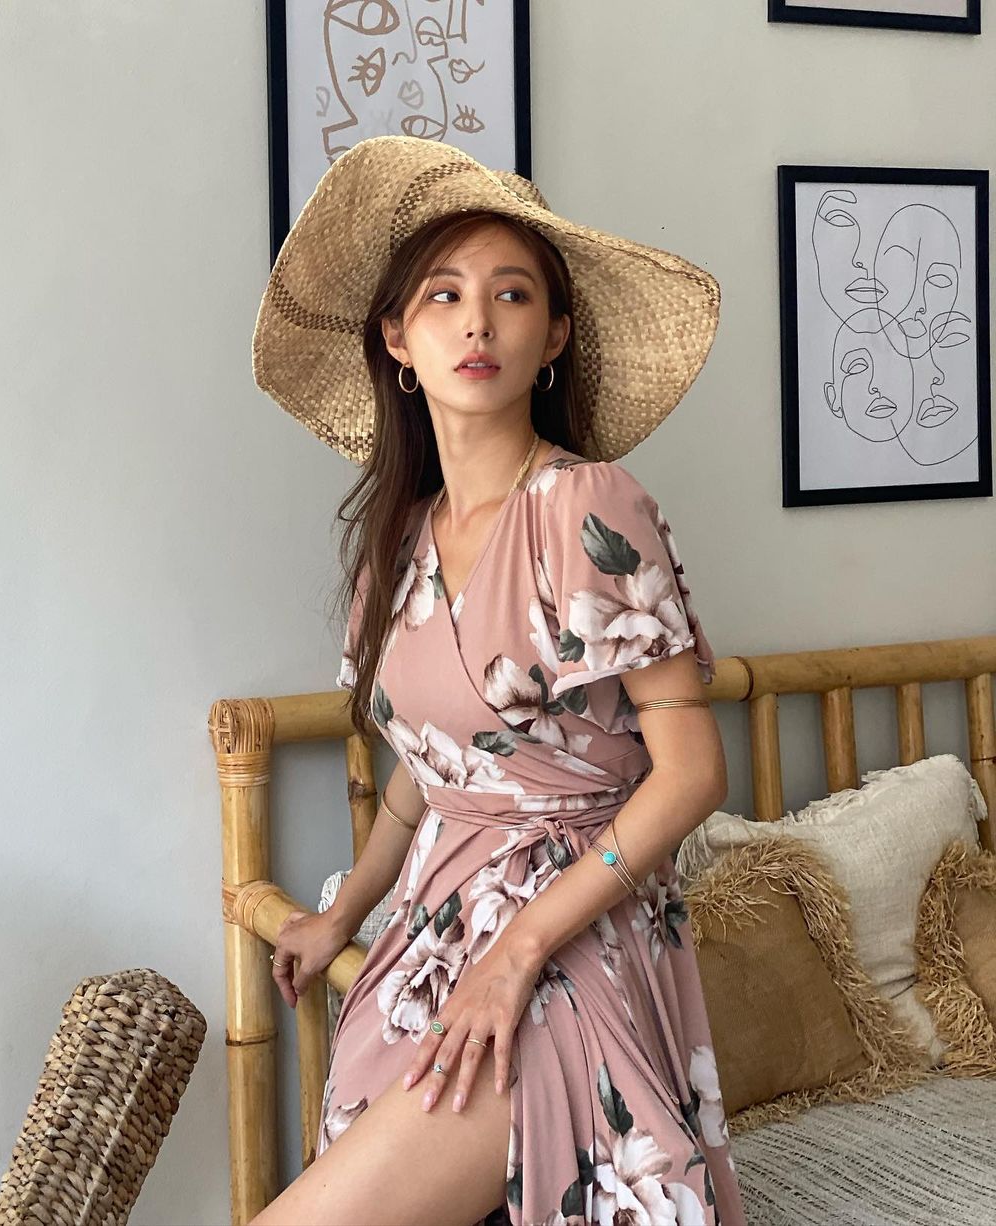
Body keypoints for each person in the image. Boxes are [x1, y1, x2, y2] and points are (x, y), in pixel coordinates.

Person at [248, 135, 746, 1226]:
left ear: (553, 335)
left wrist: (519, 951)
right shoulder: (399, 539)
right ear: (398, 337)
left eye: (512, 295)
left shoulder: (590, 506)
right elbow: (435, 767)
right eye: (444, 295)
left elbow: (693, 773)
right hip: (434, 929)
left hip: (569, 935)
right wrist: (345, 912)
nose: (477, 323)